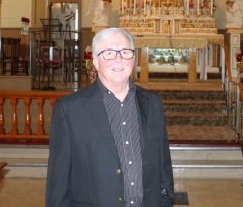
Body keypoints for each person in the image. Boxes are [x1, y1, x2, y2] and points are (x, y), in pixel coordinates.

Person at [45, 27, 174, 207]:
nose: (119, 59)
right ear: (96, 62)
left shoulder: (153, 103)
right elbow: (57, 182)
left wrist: (165, 201)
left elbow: (163, 166)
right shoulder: (69, 110)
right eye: (109, 53)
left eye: (125, 52)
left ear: (133, 58)